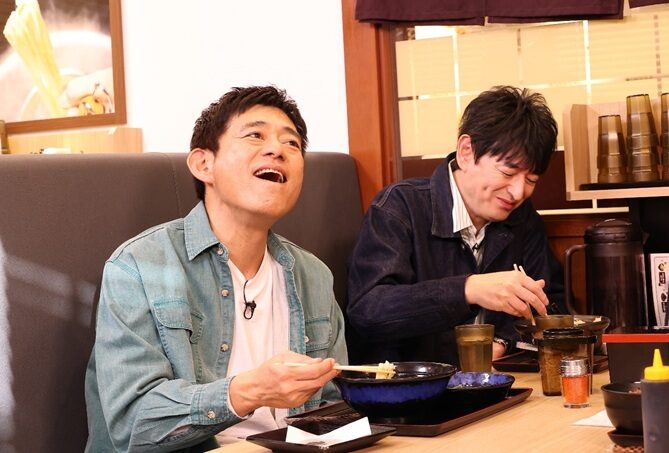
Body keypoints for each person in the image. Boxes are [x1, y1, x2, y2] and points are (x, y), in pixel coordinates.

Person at [85, 86, 348, 452]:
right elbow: (132, 424)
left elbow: (332, 409)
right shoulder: (139, 266)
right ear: (203, 164)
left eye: (291, 143)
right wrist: (248, 391)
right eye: (255, 135)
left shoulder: (313, 275)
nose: (277, 149)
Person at [346, 85, 565, 366]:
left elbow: (550, 305)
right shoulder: (400, 207)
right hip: (412, 385)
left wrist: (504, 341)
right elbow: (368, 310)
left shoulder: (522, 218)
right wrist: (468, 289)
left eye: (531, 180)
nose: (519, 192)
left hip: (496, 382)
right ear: (466, 151)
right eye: (507, 172)